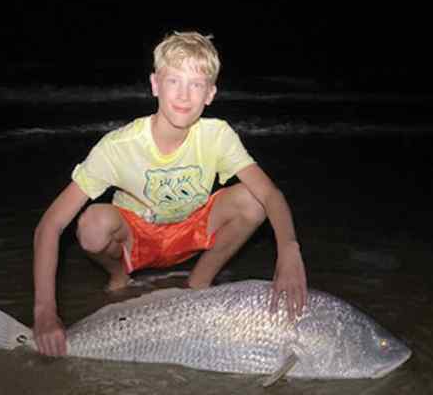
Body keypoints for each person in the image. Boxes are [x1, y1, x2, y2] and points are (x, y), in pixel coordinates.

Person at [33, 31, 307, 355]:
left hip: (191, 230)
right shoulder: (118, 147)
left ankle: (199, 282)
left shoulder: (217, 136)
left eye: (196, 84)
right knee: (92, 225)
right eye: (174, 81)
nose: (184, 94)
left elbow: (271, 194)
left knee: (253, 201)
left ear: (211, 94)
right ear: (154, 85)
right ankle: (119, 277)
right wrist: (44, 312)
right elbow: (49, 225)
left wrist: (289, 251)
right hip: (137, 238)